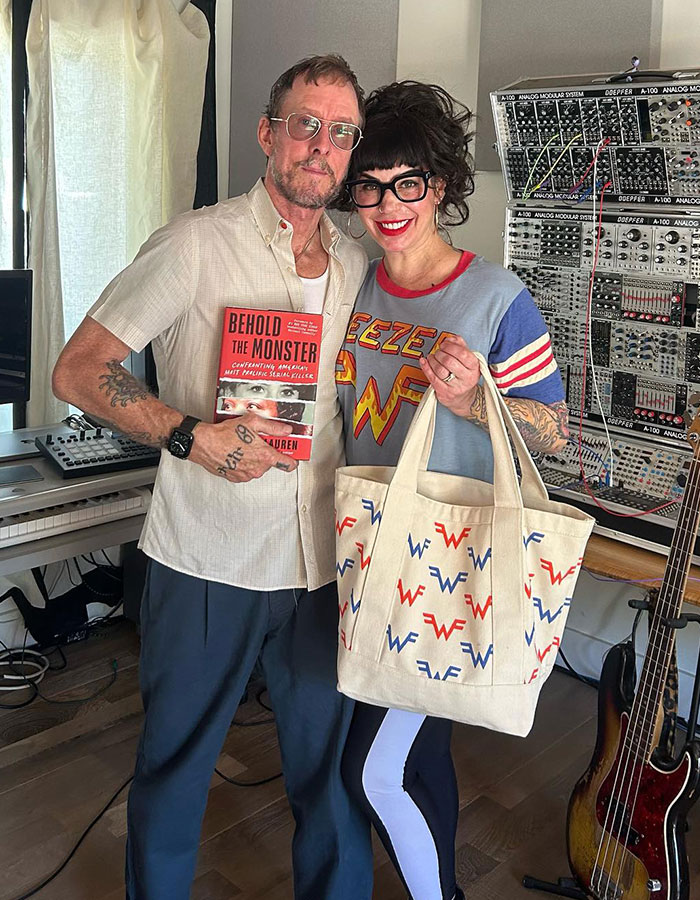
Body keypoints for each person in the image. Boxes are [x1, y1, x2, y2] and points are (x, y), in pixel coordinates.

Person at [52, 55, 372, 900]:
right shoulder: (196, 243)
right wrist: (192, 436)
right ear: (269, 134)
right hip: (206, 563)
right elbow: (80, 371)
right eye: (305, 123)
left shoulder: (358, 264)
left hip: (319, 568)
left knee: (331, 779)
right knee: (175, 772)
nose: (321, 147)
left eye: (341, 133)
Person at [333, 81, 569, 900]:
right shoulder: (353, 285)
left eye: (411, 182)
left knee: (373, 770)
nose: (390, 204)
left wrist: (479, 401)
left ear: (440, 186)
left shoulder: (498, 299)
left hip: (445, 567)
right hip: (360, 554)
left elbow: (554, 434)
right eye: (370, 184)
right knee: (414, 752)